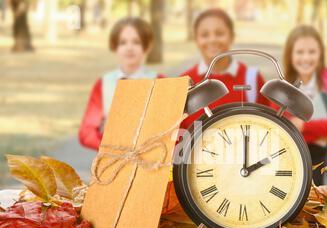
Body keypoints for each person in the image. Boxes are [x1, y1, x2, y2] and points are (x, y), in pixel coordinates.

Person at [281, 25, 327, 185]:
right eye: (300, 52)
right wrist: (324, 131)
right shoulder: (281, 88)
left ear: (320, 53)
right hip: (295, 166)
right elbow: (279, 134)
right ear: (290, 55)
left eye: (312, 52)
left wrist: (304, 126)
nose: (306, 58)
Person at [79, 17, 164, 150]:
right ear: (115, 47)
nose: (129, 48)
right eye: (123, 42)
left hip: (150, 160)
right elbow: (86, 132)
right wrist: (109, 148)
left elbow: (169, 126)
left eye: (136, 42)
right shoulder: (103, 84)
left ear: (146, 46)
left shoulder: (160, 81)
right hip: (111, 160)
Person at [179, 8, 270, 130]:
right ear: (196, 39)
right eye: (205, 35)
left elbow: (268, 127)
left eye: (219, 33)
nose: (212, 40)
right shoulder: (183, 83)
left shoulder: (252, 79)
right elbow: (177, 137)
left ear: (232, 36)